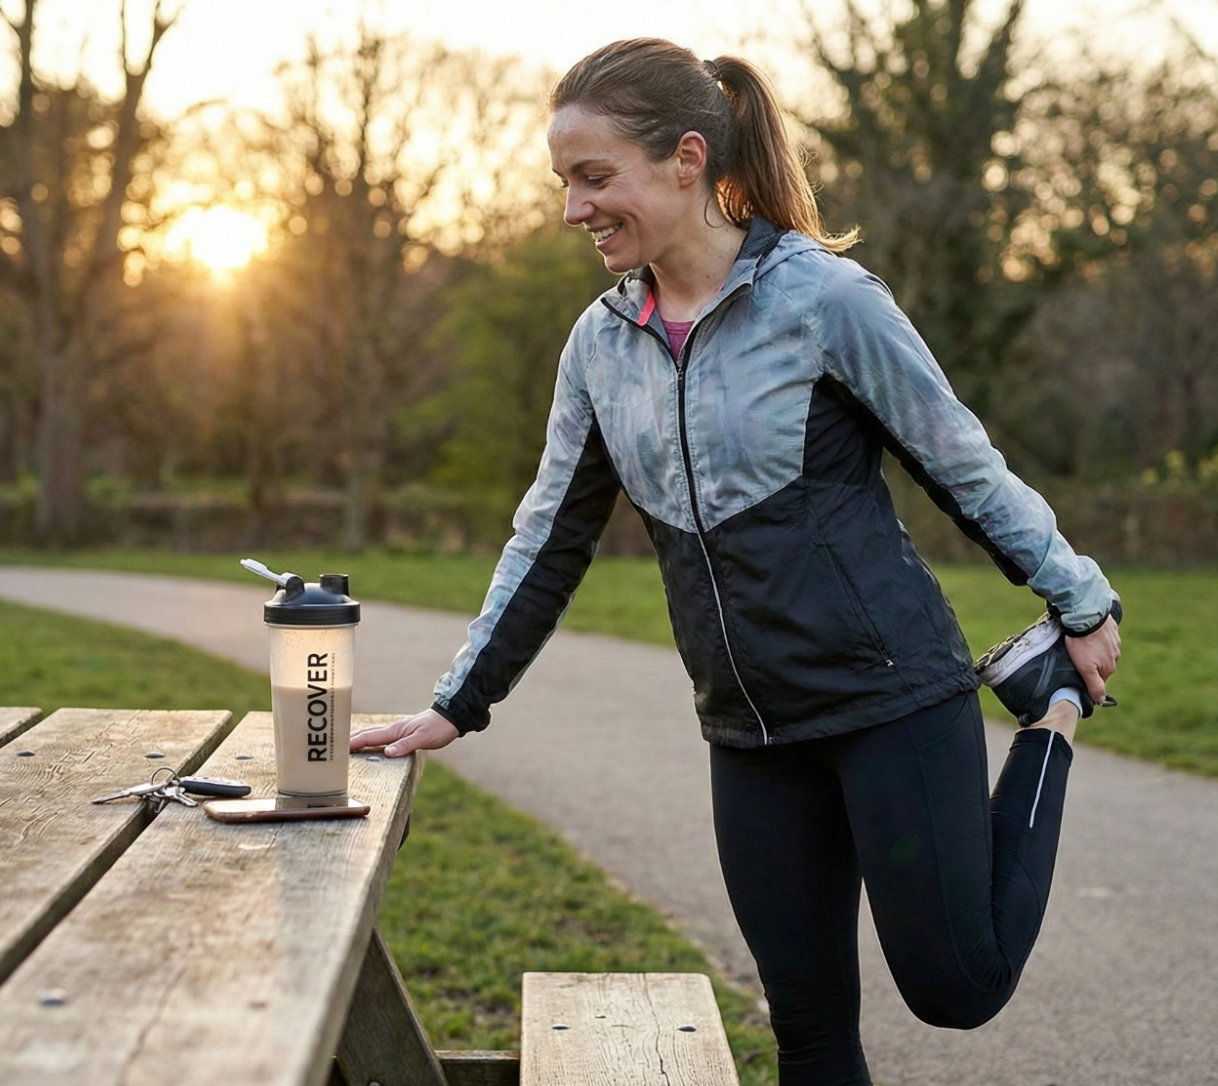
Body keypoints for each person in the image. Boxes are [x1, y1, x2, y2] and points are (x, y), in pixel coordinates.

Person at [352, 37, 1121, 1086]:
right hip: (749, 732)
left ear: (685, 159)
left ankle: (1050, 717)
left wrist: (1078, 599)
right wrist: (458, 701)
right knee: (807, 1033)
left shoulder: (825, 301)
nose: (573, 208)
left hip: (888, 700)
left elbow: (962, 465)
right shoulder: (599, 346)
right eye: (564, 183)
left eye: (593, 177)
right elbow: (548, 537)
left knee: (958, 989)